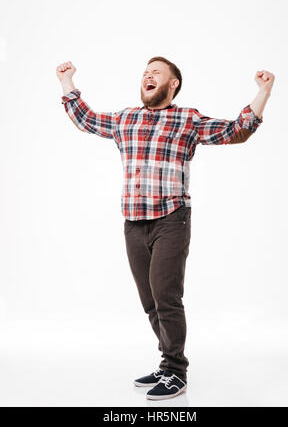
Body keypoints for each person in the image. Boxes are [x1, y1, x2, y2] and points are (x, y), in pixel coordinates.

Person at [56, 57, 274, 400]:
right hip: (133, 223)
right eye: (145, 72)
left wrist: (263, 91)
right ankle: (166, 361)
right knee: (150, 302)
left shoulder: (187, 119)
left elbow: (237, 131)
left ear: (173, 84)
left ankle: (176, 371)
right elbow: (85, 119)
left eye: (156, 72)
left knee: (166, 297)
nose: (147, 75)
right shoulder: (126, 118)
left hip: (172, 219)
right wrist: (67, 82)